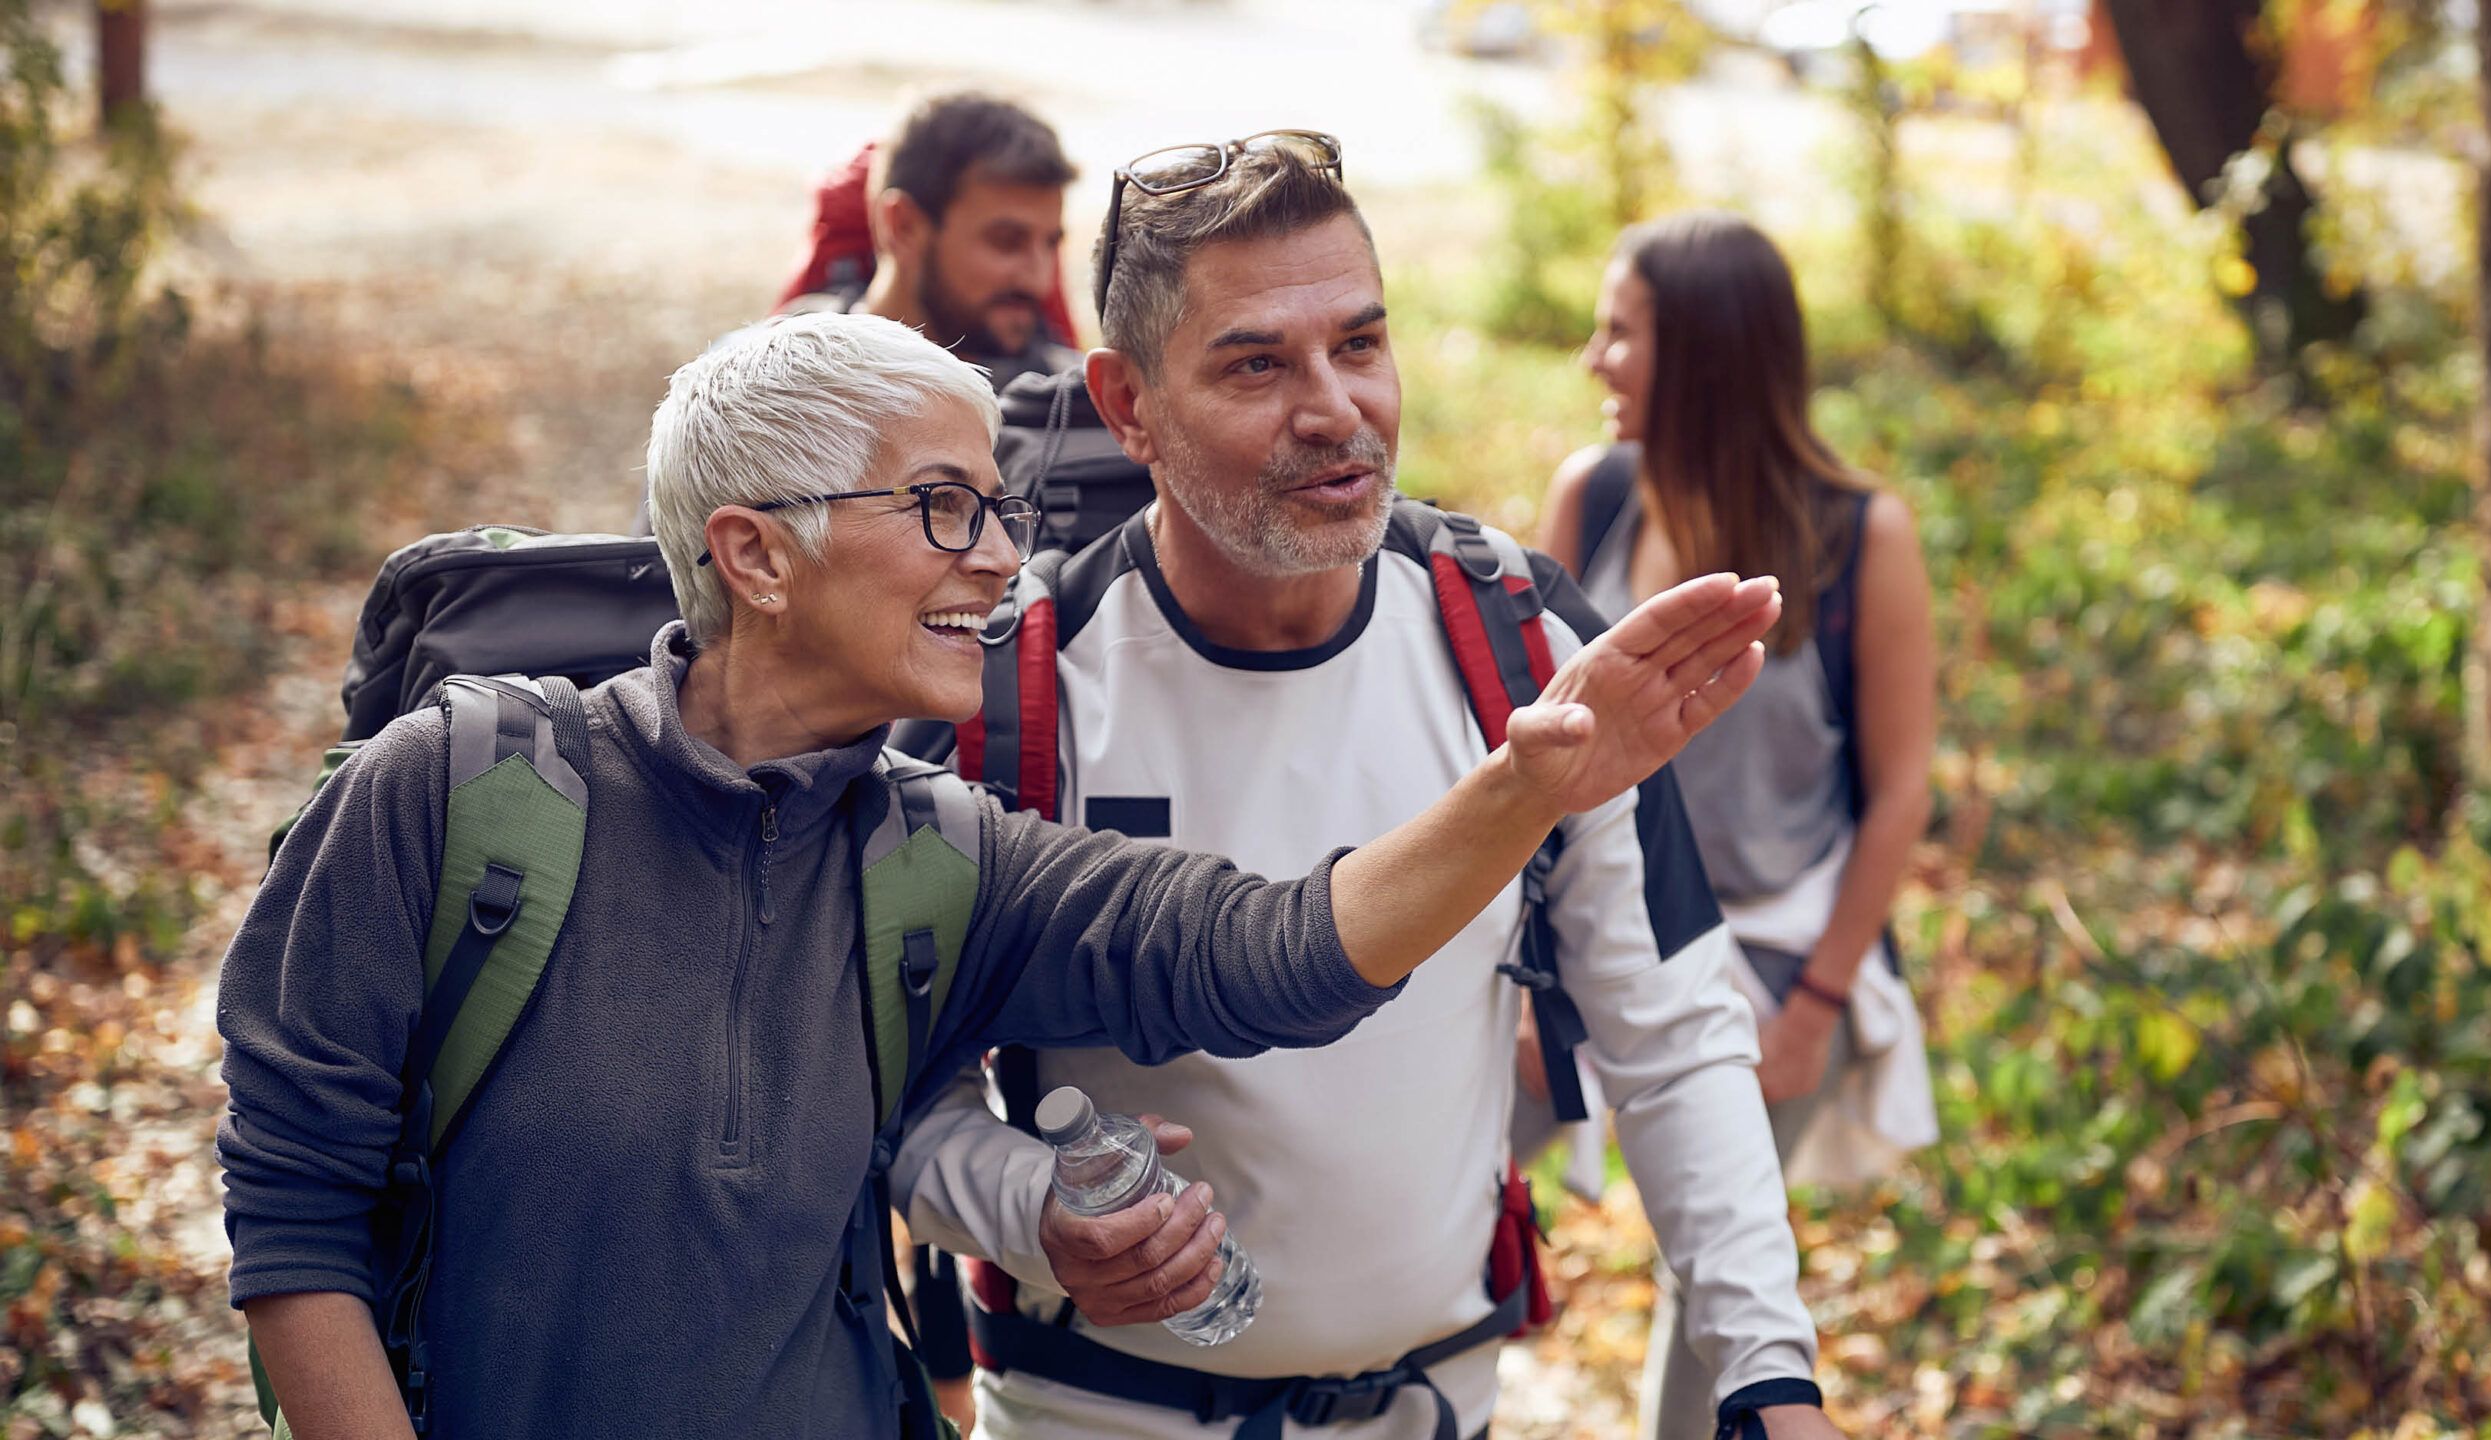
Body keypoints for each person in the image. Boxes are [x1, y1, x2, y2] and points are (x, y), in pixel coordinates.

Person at [215, 311, 1784, 1440]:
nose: (998, 560)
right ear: (758, 555)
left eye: (1003, 510)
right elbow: (294, 1220)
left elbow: (1272, 955)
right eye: (947, 509)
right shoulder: (456, 795)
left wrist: (1528, 785)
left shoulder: (936, 856)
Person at [888, 138, 1843, 1440]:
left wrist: (1767, 1374)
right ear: (1128, 408)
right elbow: (894, 1092)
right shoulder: (1012, 684)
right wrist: (1025, 1204)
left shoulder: (1521, 644)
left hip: (1432, 1405)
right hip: (1091, 1412)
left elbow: (1673, 1037)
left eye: (1361, 343)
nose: (1334, 405)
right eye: (1256, 362)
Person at [1539, 211, 1940, 1440]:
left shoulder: (1859, 535)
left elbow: (1899, 795)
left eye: (1623, 332)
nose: (1595, 360)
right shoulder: (1592, 497)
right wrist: (1517, 990)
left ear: (1707, 350)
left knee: (1712, 1270)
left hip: (1775, 951)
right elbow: (1528, 749)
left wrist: (1815, 1006)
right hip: (1584, 932)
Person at [776, 92, 1081, 391]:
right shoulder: (778, 379)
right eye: (1006, 242)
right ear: (903, 227)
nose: (1039, 279)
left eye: (1051, 244)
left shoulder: (1076, 404)